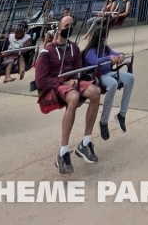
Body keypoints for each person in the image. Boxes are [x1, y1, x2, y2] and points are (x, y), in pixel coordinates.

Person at [35, 14, 102, 175]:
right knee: (74, 97)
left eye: (72, 25)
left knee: (96, 91)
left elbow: (78, 69)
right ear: (58, 29)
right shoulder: (47, 52)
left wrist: (77, 80)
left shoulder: (74, 48)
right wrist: (64, 82)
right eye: (66, 26)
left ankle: (85, 143)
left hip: (72, 82)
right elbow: (41, 81)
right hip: (57, 85)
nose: (69, 28)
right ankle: (63, 152)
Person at [82, 23, 135, 140]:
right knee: (113, 84)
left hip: (108, 73)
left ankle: (122, 115)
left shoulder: (105, 49)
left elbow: (114, 53)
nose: (104, 41)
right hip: (98, 75)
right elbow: (95, 61)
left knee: (130, 78)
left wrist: (120, 55)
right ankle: (104, 121)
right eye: (102, 38)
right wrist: (108, 58)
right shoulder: (90, 51)